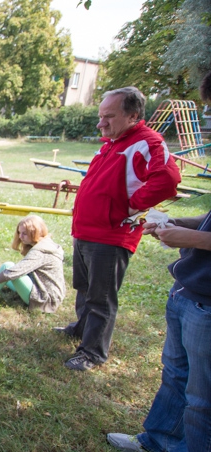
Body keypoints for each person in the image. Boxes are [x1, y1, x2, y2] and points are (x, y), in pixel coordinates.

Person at [105, 72, 211, 452]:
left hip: (207, 303)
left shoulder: (148, 143)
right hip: (189, 289)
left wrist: (187, 237)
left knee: (202, 398)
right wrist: (182, 222)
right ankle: (159, 438)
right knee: (174, 375)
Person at [59, 86, 181, 371]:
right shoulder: (111, 142)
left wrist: (129, 206)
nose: (101, 123)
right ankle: (81, 329)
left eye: (109, 116)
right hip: (87, 231)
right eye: (101, 116)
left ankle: (92, 353)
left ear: (133, 115)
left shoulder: (147, 142)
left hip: (111, 236)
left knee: (101, 297)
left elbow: (168, 178)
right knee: (85, 288)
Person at [0, 215, 66, 313]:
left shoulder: (40, 251)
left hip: (44, 300)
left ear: (35, 232)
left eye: (24, 233)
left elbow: (16, 271)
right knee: (6, 267)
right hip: (46, 292)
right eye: (19, 233)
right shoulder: (46, 244)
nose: (20, 237)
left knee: (9, 268)